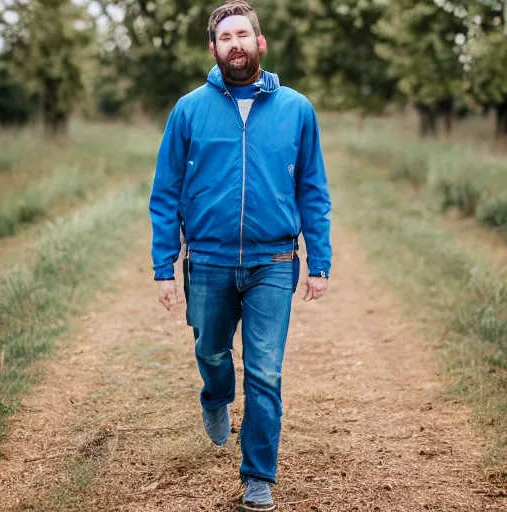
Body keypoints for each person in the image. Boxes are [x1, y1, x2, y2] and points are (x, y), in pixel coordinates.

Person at [149, 1, 332, 510]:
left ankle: (258, 476)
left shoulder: (297, 109)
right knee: (210, 350)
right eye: (225, 36)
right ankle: (214, 394)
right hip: (207, 259)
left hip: (273, 262)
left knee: (266, 371)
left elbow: (313, 189)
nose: (235, 44)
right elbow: (166, 191)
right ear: (213, 48)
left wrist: (318, 261)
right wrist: (164, 267)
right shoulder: (189, 109)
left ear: (260, 42)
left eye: (243, 35)